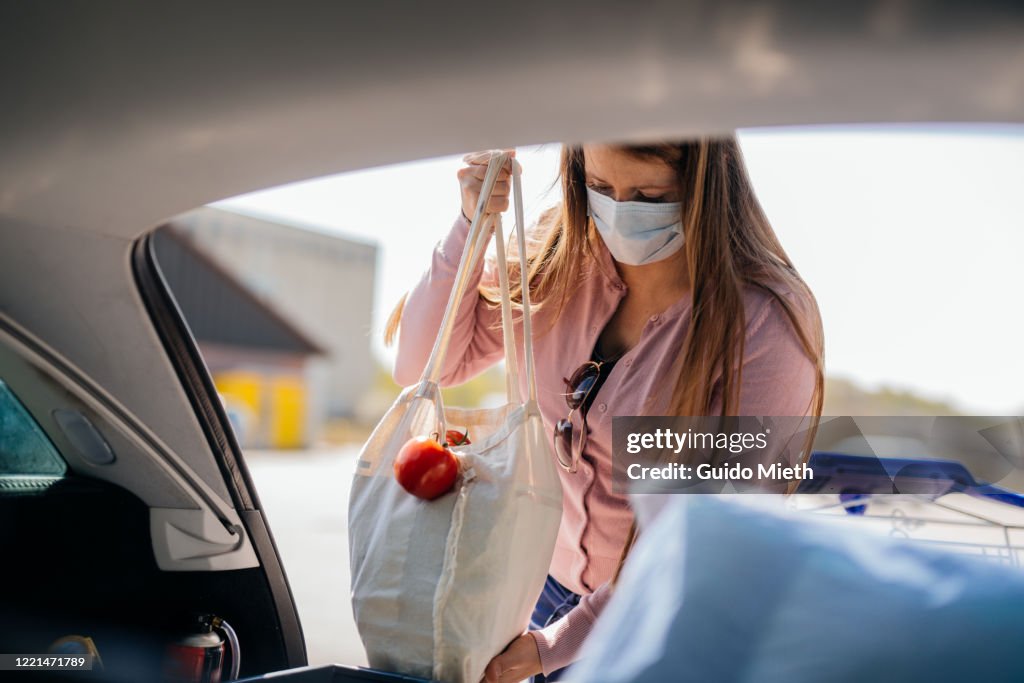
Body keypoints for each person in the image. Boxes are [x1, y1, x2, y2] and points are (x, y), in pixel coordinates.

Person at [386, 139, 824, 682]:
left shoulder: (765, 320)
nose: (619, 212)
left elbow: (710, 541)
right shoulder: (557, 255)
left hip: (664, 618)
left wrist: (556, 645)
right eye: (599, 188)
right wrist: (471, 227)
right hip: (539, 589)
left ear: (707, 188)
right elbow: (422, 364)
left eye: (649, 195)